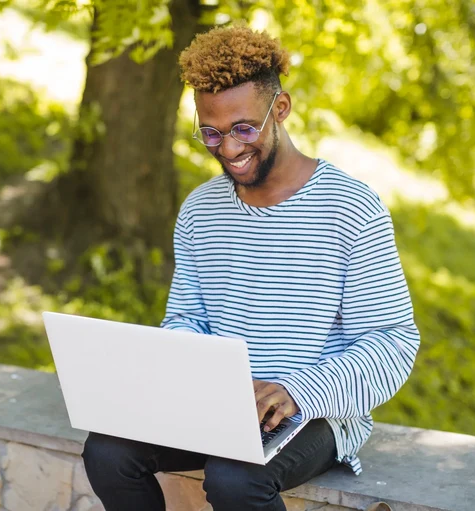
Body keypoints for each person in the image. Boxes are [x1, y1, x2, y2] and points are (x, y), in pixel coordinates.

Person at [82, 25, 420, 511]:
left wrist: (296, 391)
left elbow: (393, 341)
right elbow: (186, 317)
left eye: (244, 128)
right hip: (216, 404)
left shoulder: (351, 208)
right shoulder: (200, 209)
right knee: (107, 452)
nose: (229, 149)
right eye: (211, 133)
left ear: (279, 110)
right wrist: (176, 372)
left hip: (315, 410)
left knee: (234, 478)